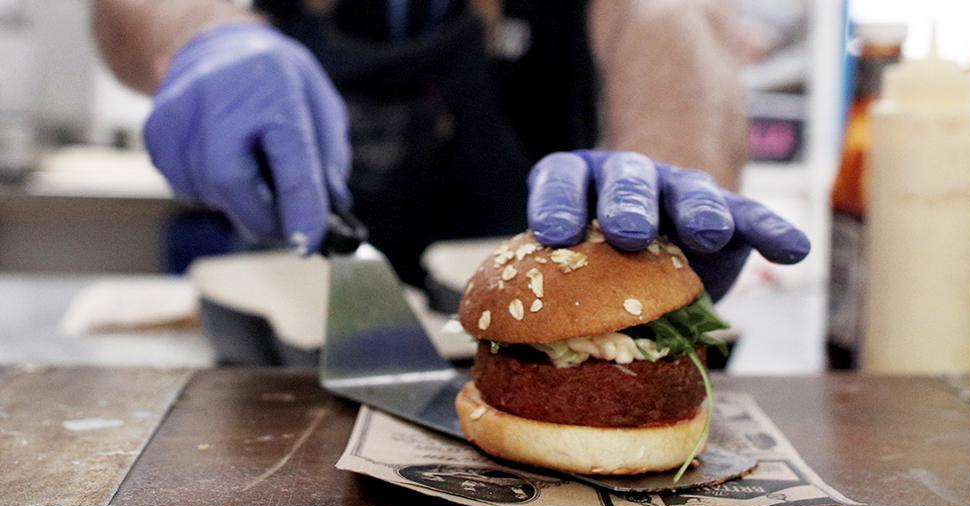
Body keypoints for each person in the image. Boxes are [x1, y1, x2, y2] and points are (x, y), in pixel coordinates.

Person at [92, 0, 810, 300]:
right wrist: (201, 38)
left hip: (531, 309)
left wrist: (667, 168)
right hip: (282, 307)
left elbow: (670, 22)